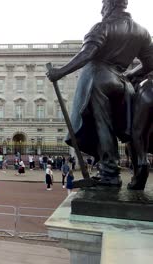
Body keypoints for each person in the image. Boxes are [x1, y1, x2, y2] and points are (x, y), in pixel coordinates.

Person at [46, 0, 153, 186]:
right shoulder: (142, 32)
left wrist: (60, 72)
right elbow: (150, 64)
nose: (101, 9)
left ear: (110, 5)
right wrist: (130, 74)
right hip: (123, 83)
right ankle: (133, 168)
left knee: (103, 125)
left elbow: (86, 54)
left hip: (99, 78)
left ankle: (110, 174)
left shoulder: (103, 26)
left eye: (103, 4)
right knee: (127, 130)